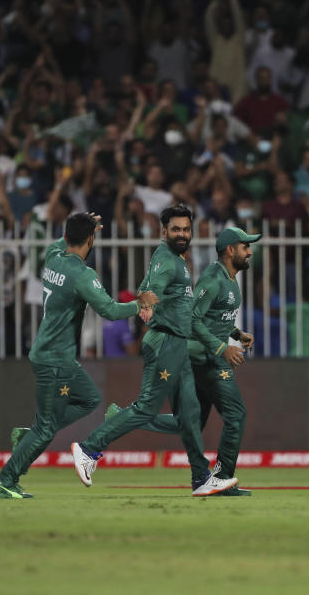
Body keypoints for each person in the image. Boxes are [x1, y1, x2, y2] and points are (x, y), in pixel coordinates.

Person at [0, 214, 158, 499]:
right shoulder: (83, 274)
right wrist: (140, 304)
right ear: (91, 239)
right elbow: (110, 311)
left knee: (89, 398)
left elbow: (60, 242)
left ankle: (29, 436)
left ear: (66, 236)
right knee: (46, 429)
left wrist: (75, 227)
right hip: (55, 359)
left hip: (51, 354)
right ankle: (3, 481)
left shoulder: (53, 257)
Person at [71, 205, 238, 497]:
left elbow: (146, 286)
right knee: (147, 407)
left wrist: (147, 297)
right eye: (176, 229)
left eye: (186, 229)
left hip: (177, 342)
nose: (182, 234)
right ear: (164, 232)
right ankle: (89, 448)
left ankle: (201, 477)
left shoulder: (172, 259)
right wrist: (147, 301)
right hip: (166, 342)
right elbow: (151, 290)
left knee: (189, 414)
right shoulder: (169, 261)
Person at [106, 227, 260, 496]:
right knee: (236, 415)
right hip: (205, 357)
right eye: (245, 246)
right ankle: (222, 478)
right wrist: (223, 347)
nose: (250, 251)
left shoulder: (230, 278)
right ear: (230, 250)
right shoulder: (213, 279)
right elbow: (192, 318)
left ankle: (124, 417)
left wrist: (236, 333)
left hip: (204, 355)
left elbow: (215, 317)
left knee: (189, 422)